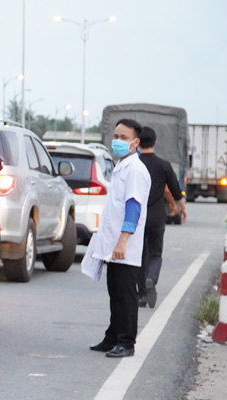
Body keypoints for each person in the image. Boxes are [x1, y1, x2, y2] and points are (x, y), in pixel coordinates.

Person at [85, 118, 151, 358]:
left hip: (125, 243)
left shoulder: (135, 169)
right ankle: (112, 337)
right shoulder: (122, 165)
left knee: (125, 295)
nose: (118, 141)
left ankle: (126, 342)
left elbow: (133, 206)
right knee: (115, 292)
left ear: (136, 142)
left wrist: (123, 240)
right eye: (116, 136)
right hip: (113, 243)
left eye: (124, 138)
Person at [137, 126, 187, 308]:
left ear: (138, 142)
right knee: (155, 254)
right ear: (155, 142)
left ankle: (141, 295)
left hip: (137, 218)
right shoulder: (163, 165)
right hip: (157, 218)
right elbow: (175, 190)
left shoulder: (134, 164)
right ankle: (152, 278)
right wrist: (182, 208)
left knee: (140, 256)